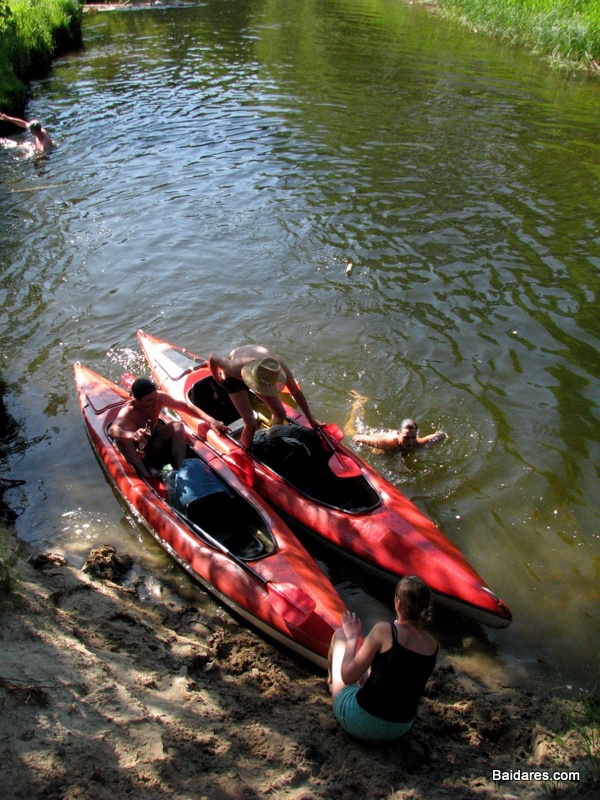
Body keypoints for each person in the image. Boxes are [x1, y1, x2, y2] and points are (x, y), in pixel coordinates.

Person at [328, 575, 438, 742]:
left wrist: (352, 637)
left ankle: (332, 684)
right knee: (374, 657)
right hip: (400, 728)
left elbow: (348, 677)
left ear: (398, 604)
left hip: (362, 722)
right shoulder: (433, 646)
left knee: (340, 635)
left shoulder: (384, 631)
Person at [108, 377, 226, 480]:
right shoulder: (128, 412)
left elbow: (185, 407)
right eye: (150, 400)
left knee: (177, 426)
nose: (155, 402)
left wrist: (211, 421)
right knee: (121, 439)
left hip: (153, 444)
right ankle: (146, 477)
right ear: (137, 401)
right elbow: (112, 430)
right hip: (136, 452)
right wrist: (132, 435)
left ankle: (182, 470)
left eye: (155, 397)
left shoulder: (160, 398)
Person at [208, 345, 319, 450]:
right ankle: (245, 449)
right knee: (250, 423)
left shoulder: (278, 369)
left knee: (280, 413)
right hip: (233, 376)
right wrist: (219, 380)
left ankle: (270, 437)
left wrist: (310, 419)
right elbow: (213, 357)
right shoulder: (234, 367)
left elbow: (296, 393)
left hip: (260, 375)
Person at [348, 390, 445, 455]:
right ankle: (359, 402)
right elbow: (356, 438)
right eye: (406, 438)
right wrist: (373, 452)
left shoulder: (418, 443)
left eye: (413, 437)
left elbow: (440, 436)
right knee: (349, 430)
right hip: (376, 440)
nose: (410, 442)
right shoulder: (388, 442)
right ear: (399, 434)